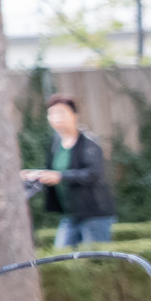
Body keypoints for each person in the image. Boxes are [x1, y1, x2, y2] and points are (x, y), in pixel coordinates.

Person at [26, 94, 115, 247]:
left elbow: (93, 174)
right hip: (70, 213)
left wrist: (60, 176)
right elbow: (55, 172)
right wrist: (36, 174)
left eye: (61, 112)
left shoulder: (89, 143)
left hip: (94, 214)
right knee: (62, 256)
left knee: (96, 261)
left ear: (74, 115)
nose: (56, 117)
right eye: (52, 113)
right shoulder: (56, 143)